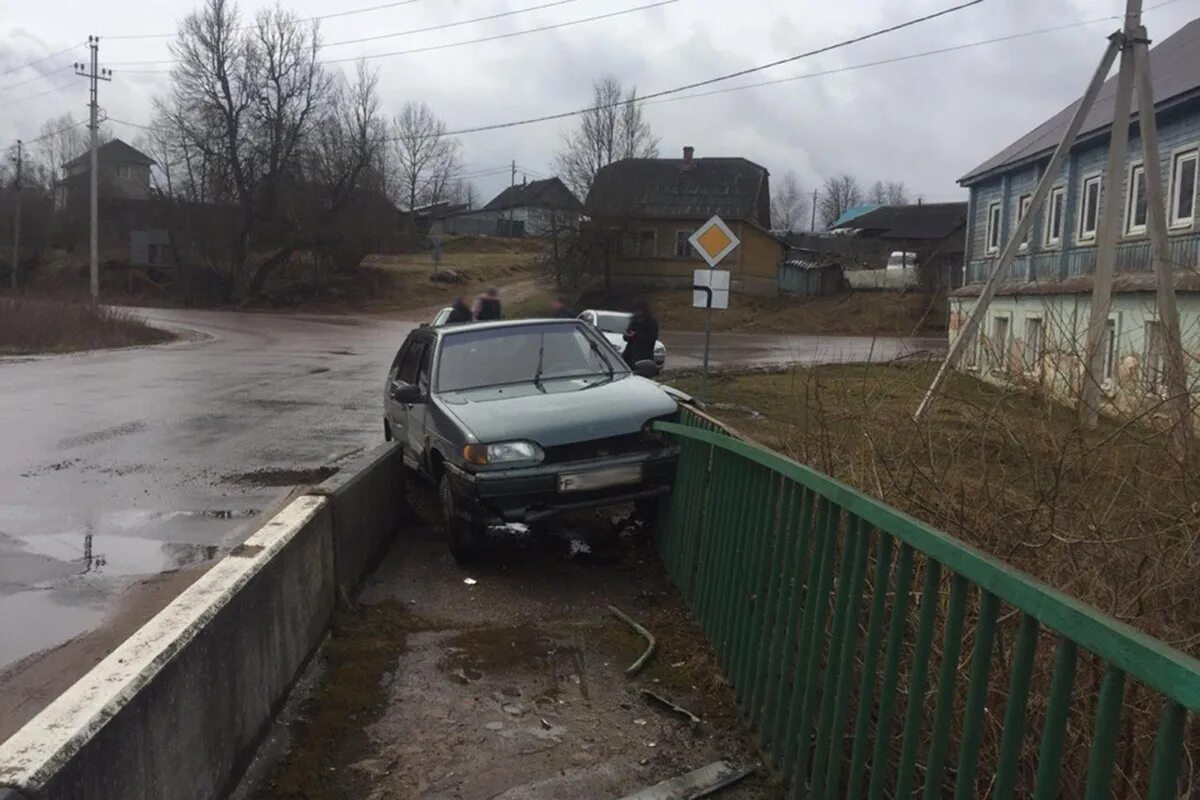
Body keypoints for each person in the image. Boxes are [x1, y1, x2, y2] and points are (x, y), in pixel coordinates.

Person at [622, 301, 659, 367]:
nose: (637, 312)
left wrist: (636, 335)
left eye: (639, 310)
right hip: (630, 354)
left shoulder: (651, 322)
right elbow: (626, 336)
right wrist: (628, 336)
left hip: (644, 354)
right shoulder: (634, 322)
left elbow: (653, 337)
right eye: (636, 310)